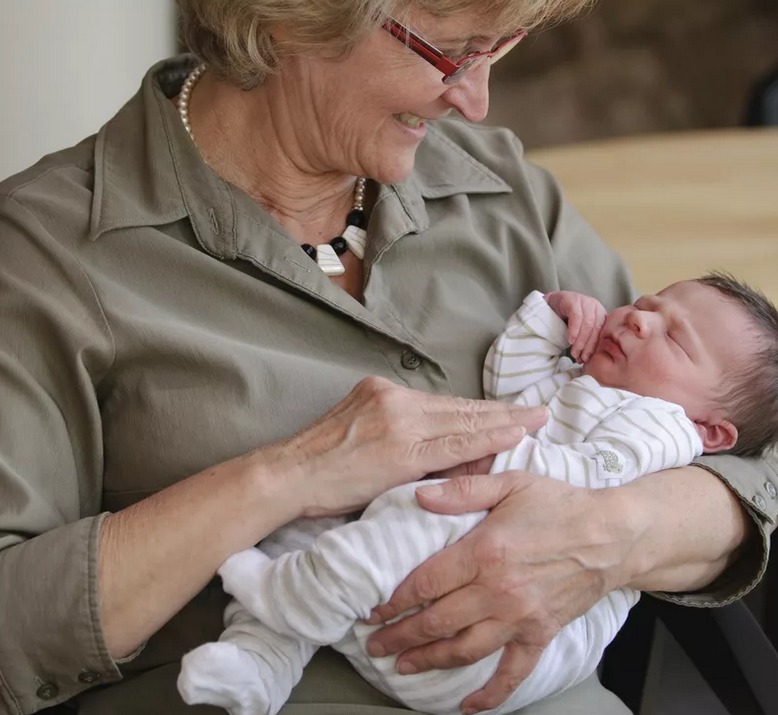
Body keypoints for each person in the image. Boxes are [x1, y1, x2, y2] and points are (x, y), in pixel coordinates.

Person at [0, 1, 776, 714]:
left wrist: (620, 530)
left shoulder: (497, 188)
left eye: (497, 49)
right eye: (449, 54)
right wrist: (287, 475)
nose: (475, 101)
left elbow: (733, 418)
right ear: (295, 18)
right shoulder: (47, 254)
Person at [176, 273, 778, 715]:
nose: (641, 319)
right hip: (404, 610)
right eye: (649, 305)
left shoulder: (661, 430)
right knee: (312, 520)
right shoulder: (576, 381)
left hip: (487, 648)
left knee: (427, 507)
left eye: (676, 340)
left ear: (710, 431)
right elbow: (505, 377)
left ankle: (299, 596)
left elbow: (584, 484)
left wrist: (495, 455)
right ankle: (259, 665)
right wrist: (550, 317)